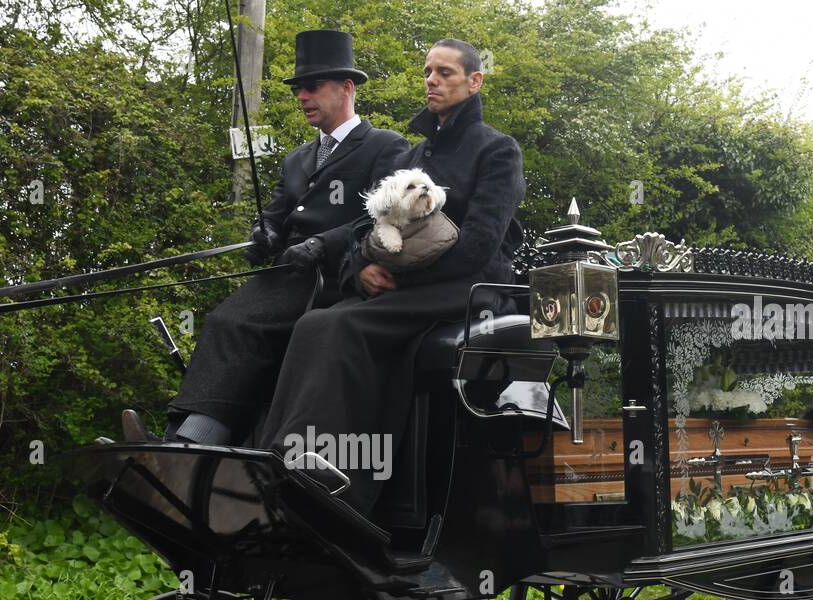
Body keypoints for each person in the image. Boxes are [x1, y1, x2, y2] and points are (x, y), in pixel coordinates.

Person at [257, 38, 526, 516]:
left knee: (343, 326)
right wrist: (363, 270)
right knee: (313, 323)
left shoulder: (498, 150)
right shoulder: (414, 153)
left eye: (445, 73)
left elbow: (481, 243)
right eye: (428, 72)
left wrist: (400, 277)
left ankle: (336, 484)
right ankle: (277, 458)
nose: (433, 81)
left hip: (467, 290)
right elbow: (366, 226)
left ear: (474, 81)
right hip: (408, 286)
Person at [134, 30, 409, 446]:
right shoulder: (296, 158)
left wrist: (323, 244)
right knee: (224, 319)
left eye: (312, 86)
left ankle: (193, 442)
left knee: (238, 322)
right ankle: (187, 435)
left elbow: (384, 218)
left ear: (347, 88)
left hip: (335, 276)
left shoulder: (384, 146)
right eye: (299, 88)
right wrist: (262, 233)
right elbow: (277, 212)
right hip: (284, 275)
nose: (302, 96)